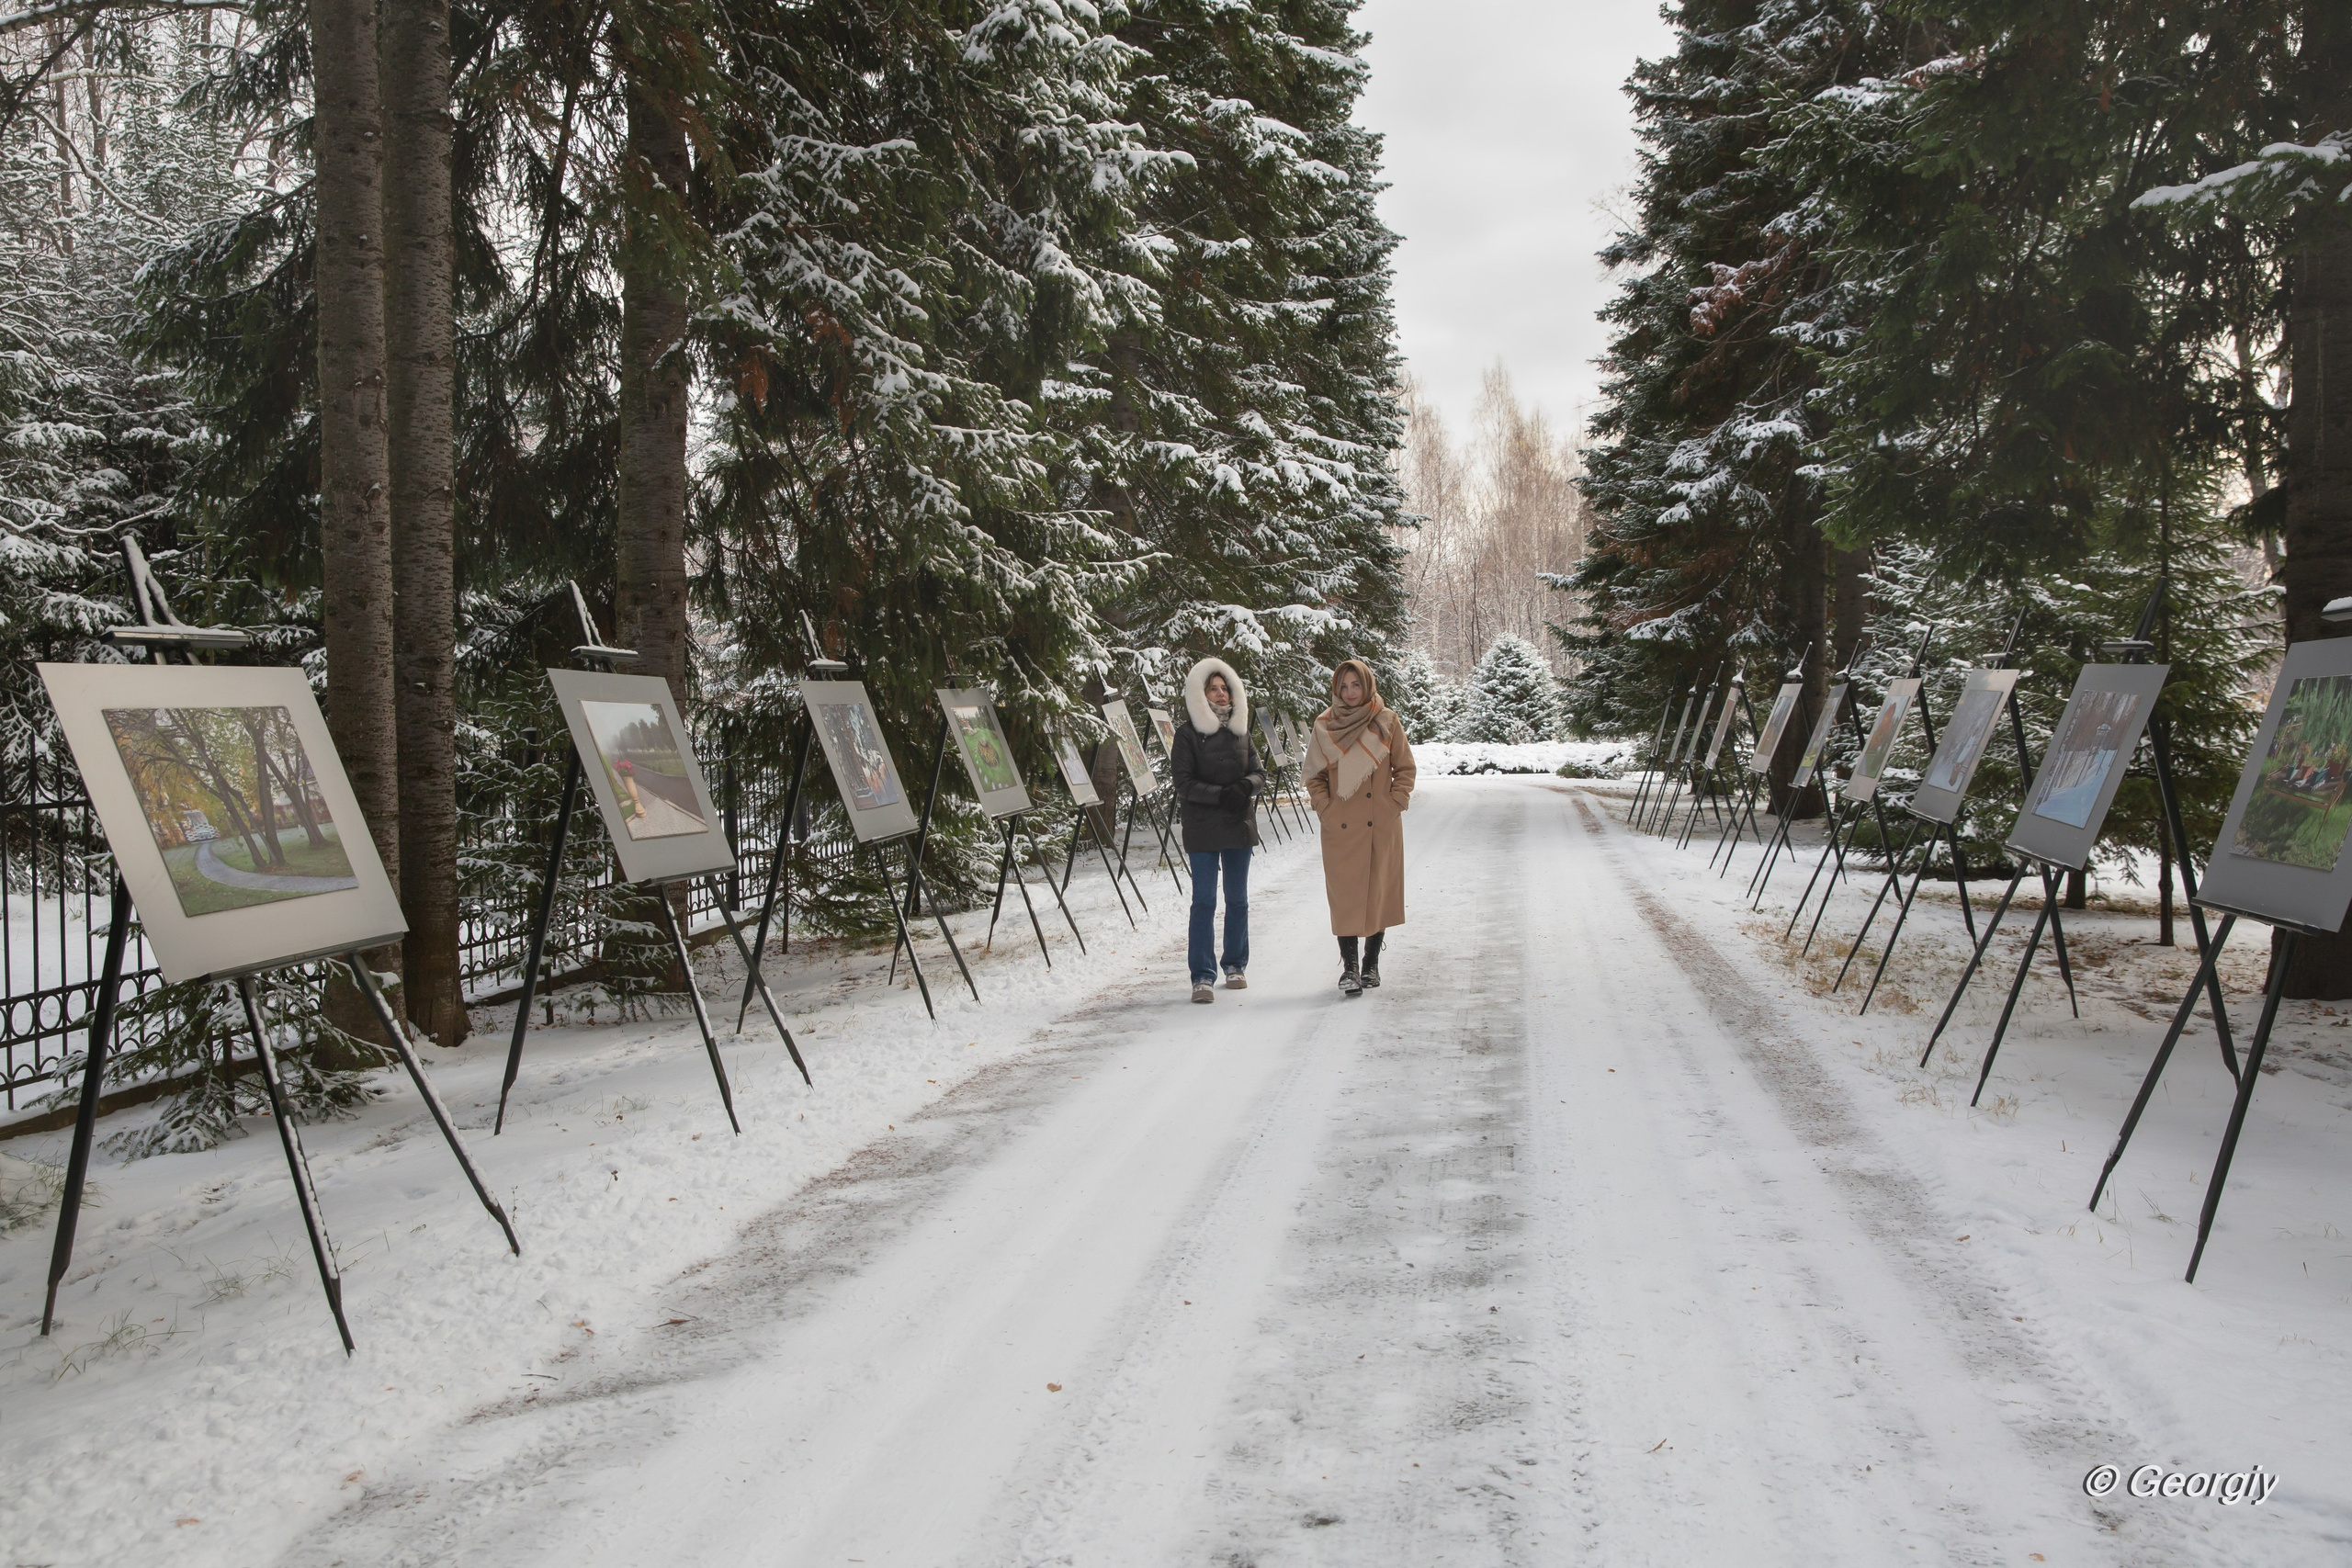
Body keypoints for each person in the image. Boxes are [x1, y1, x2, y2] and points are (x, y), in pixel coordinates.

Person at [1302, 659, 1416, 998]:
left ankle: (1370, 964)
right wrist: (1325, 808)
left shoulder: (1386, 720)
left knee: (1378, 893)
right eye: (1344, 686)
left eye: (1356, 685)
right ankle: (1349, 968)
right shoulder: (1325, 725)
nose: (1350, 692)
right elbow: (1314, 776)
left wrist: (1393, 804)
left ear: (1366, 685)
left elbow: (1405, 768)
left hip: (1380, 824)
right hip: (1340, 826)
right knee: (1345, 896)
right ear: (1336, 689)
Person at [1170, 657, 1264, 1002]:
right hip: (1202, 827)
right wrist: (1220, 795)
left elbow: (1259, 772)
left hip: (1238, 824)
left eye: (1225, 688)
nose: (1221, 694)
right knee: (1204, 901)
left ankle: (1235, 965)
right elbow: (1183, 782)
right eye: (1213, 688)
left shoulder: (1241, 730)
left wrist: (1245, 787)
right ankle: (1202, 975)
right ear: (1201, 693)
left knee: (1237, 900)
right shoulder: (1187, 734)